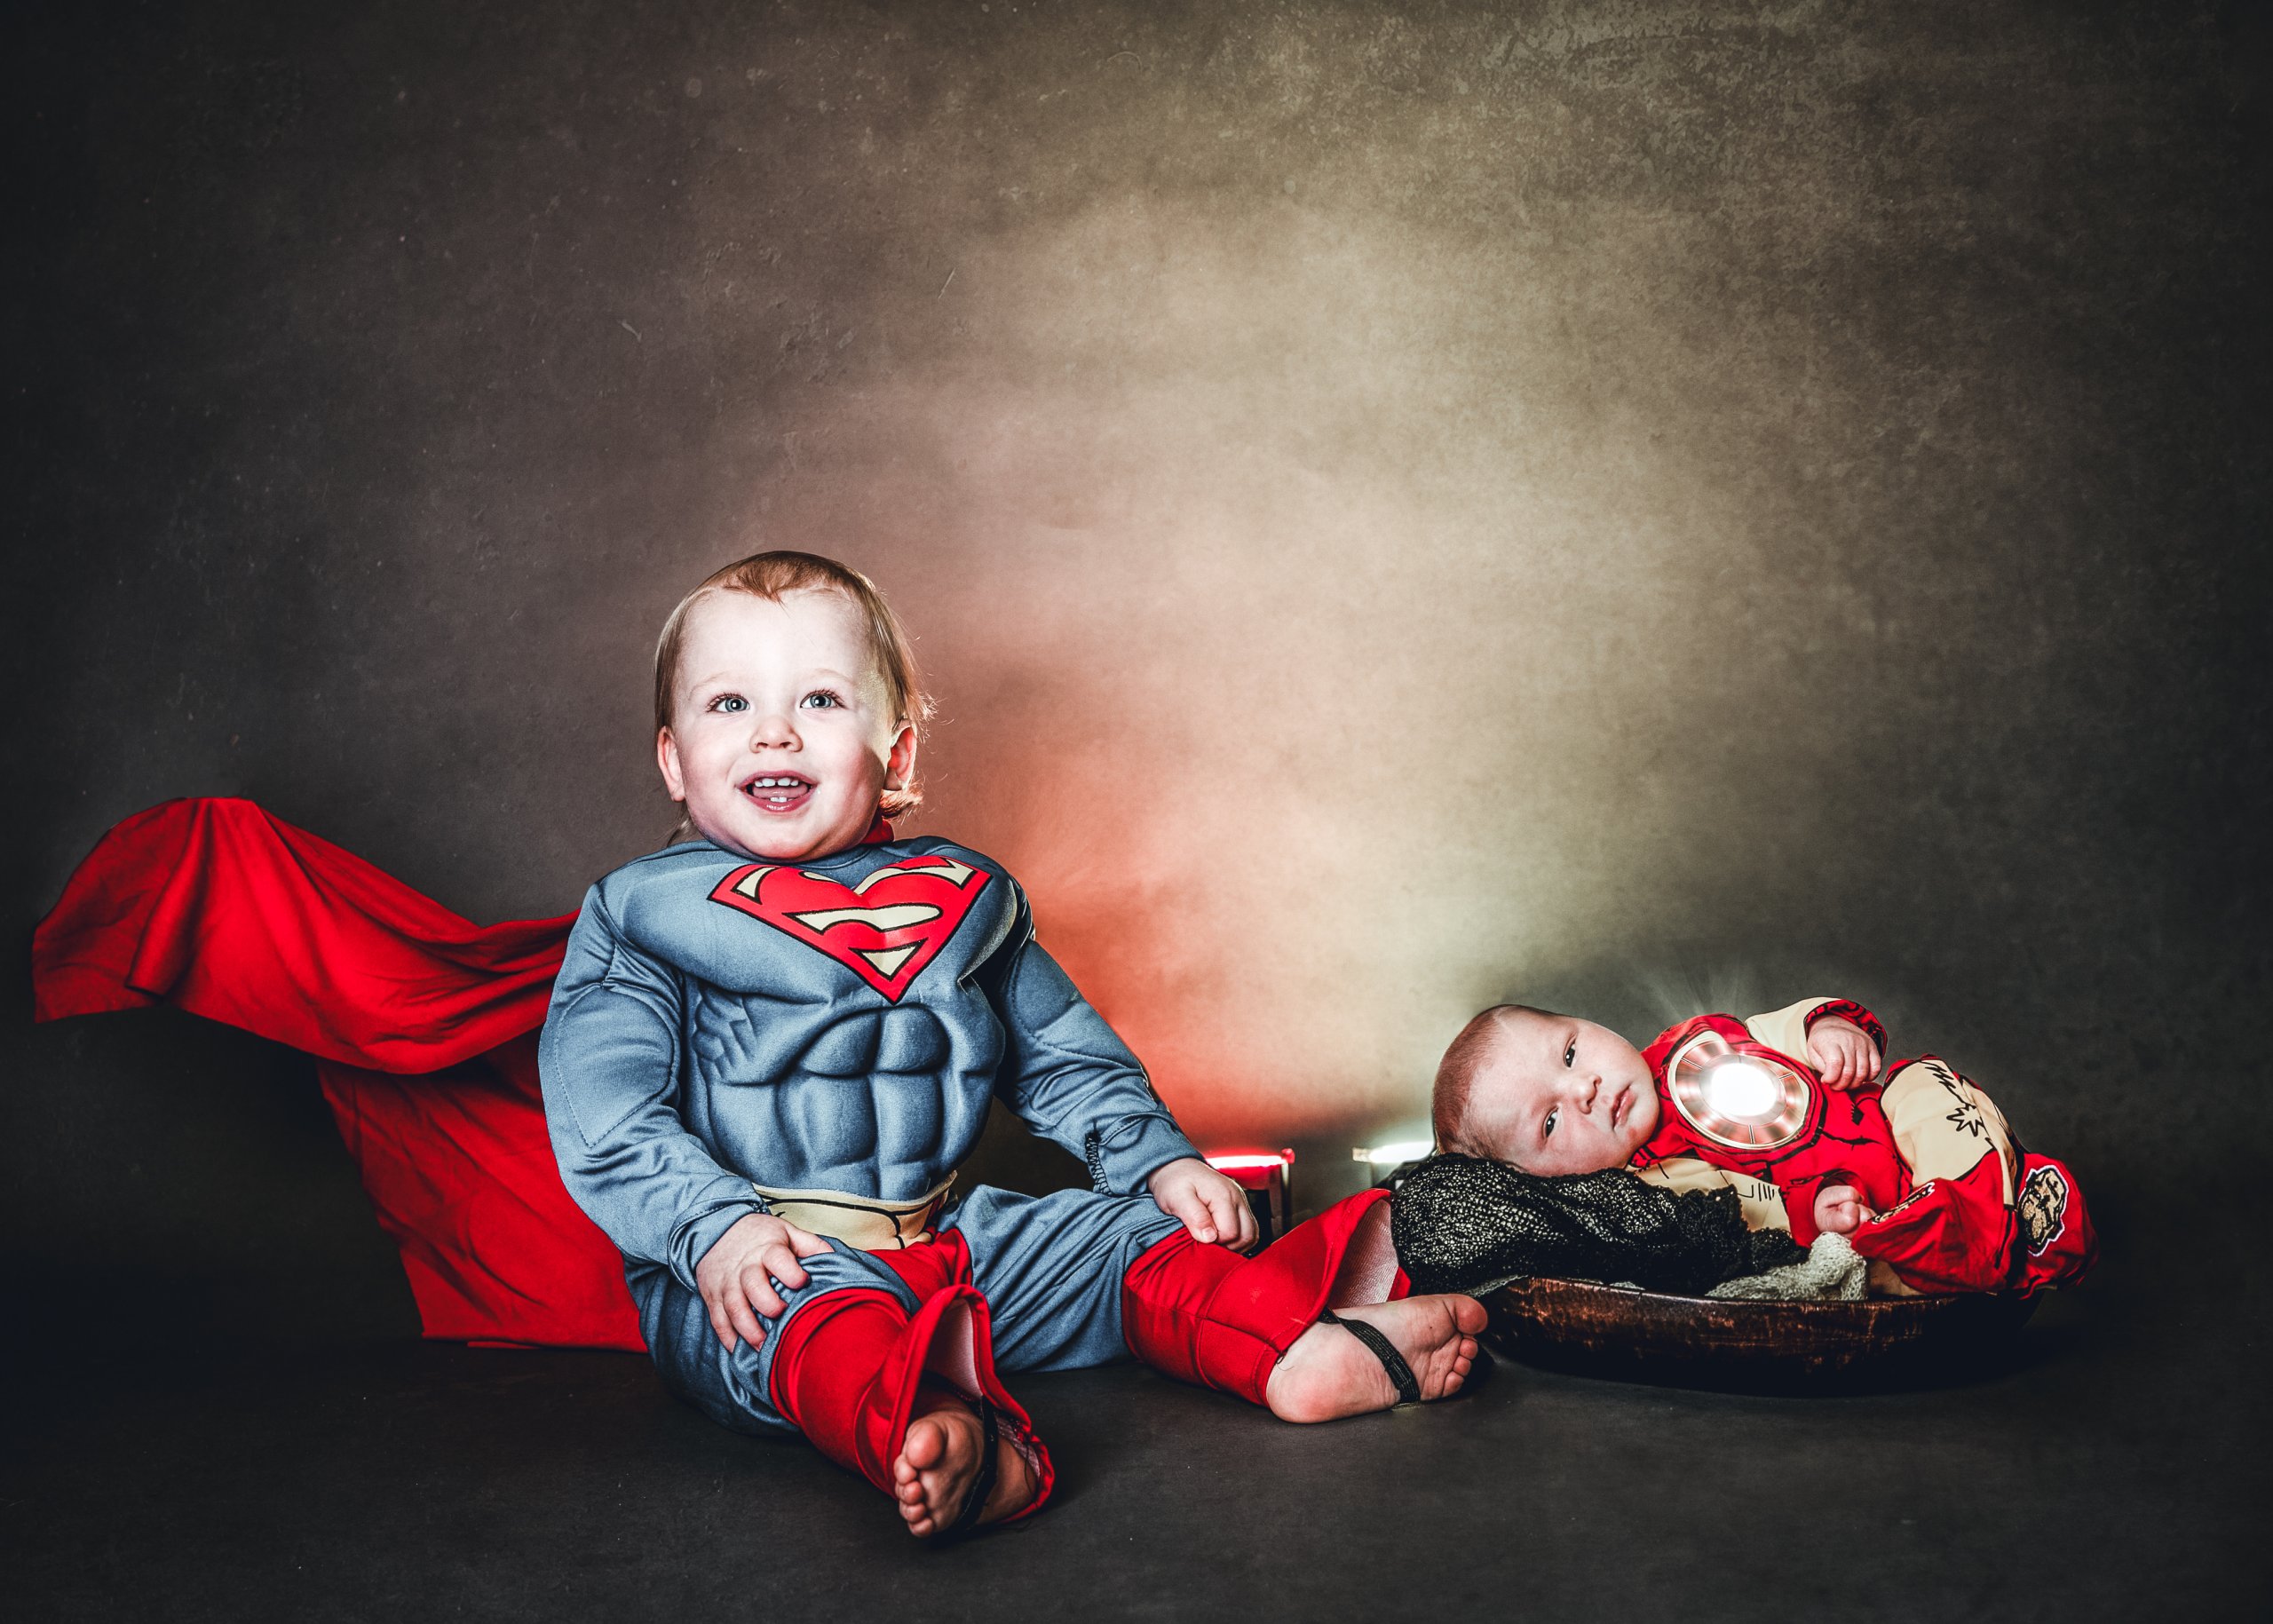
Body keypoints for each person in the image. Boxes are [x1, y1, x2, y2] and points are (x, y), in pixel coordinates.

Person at [538, 550, 1485, 1538]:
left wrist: (1158, 1160)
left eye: (819, 699)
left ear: (897, 755)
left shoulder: (966, 899)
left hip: (954, 1245)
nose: (774, 730)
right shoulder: (640, 913)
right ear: (673, 759)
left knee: (1129, 1239)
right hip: (761, 1268)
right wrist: (713, 1228)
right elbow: (605, 1109)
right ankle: (934, 1426)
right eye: (730, 703)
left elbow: (1062, 1051)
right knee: (810, 1327)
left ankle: (1284, 1345)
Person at [1428, 996, 2095, 1295]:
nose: (1585, 1089)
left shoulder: (1697, 1042)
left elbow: (1776, 1028)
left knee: (1922, 1083)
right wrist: (1822, 1209)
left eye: (1571, 1052)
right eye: (1549, 1122)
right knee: (1858, 1262)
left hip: (1887, 1125)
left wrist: (1827, 1030)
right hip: (1871, 1213)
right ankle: (1996, 1237)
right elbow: (1757, 1216)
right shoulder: (1650, 1191)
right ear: (1539, 1180)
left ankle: (1981, 1207)